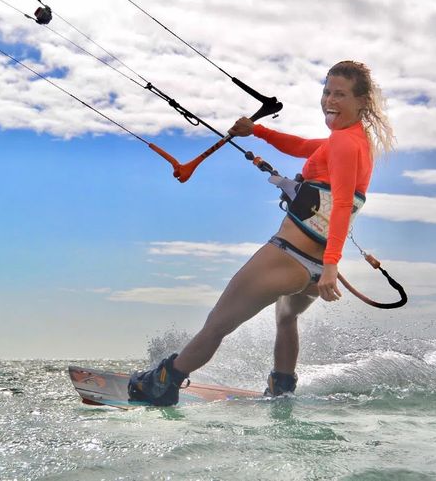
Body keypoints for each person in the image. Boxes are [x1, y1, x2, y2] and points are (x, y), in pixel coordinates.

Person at [128, 61, 395, 406]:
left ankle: (163, 383)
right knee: (286, 317)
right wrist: (257, 132)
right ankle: (282, 387)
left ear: (362, 102)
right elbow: (301, 146)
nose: (329, 100)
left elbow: (342, 204)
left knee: (217, 324)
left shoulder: (344, 144)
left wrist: (332, 265)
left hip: (291, 256)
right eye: (326, 91)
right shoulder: (352, 140)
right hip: (309, 270)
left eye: (340, 94)